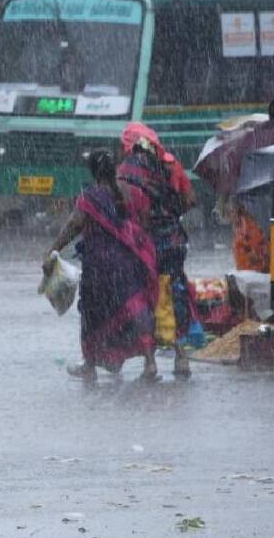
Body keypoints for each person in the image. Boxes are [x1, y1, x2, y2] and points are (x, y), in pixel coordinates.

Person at [43, 150, 158, 382]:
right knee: (134, 310)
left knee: (93, 315)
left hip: (99, 267)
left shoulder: (89, 197)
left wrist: (52, 251)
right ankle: (150, 362)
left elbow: (74, 225)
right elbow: (144, 221)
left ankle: (91, 363)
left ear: (94, 172)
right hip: (126, 263)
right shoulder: (128, 192)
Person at [116, 122, 198, 378]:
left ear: (129, 145)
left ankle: (150, 363)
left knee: (144, 299)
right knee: (175, 294)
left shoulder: (126, 171)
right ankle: (181, 357)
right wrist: (170, 214)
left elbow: (125, 209)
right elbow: (190, 200)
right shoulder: (171, 164)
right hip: (173, 241)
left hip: (143, 244)